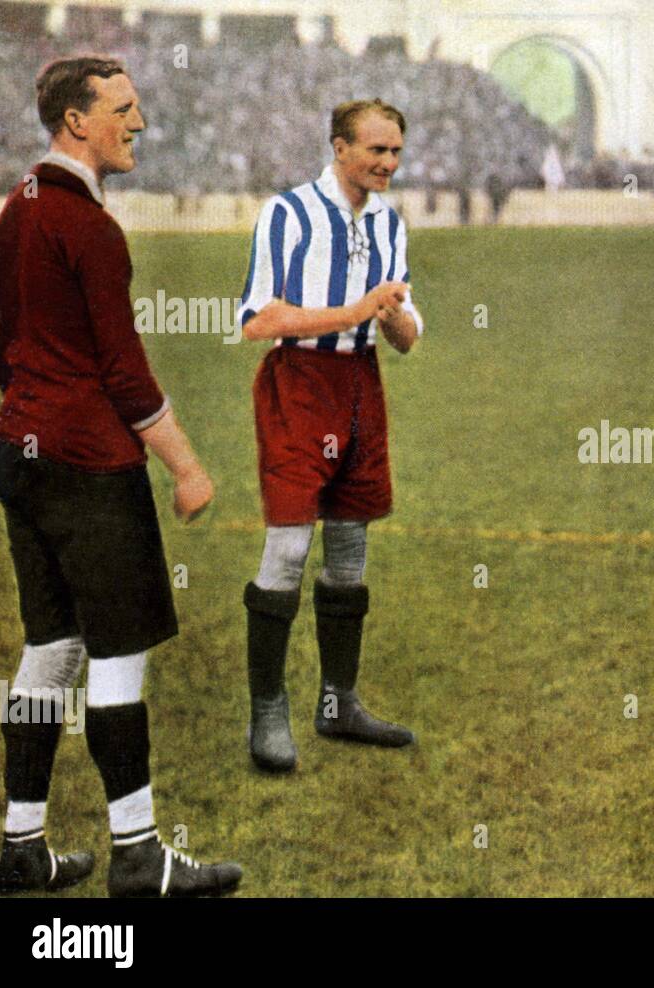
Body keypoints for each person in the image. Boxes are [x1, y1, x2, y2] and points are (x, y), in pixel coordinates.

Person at [0, 56, 241, 897]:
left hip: (17, 453)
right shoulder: (90, 230)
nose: (138, 124)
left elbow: (5, 353)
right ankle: (137, 853)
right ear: (76, 122)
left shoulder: (11, 219)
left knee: (49, 650)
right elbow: (125, 375)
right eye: (123, 111)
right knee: (117, 652)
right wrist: (190, 466)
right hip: (89, 464)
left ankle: (22, 846)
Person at [237, 98, 423, 774]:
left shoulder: (390, 223)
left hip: (361, 384)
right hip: (299, 385)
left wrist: (397, 317)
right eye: (376, 150)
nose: (388, 163)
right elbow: (258, 320)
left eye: (397, 151)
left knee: (349, 547)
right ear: (339, 148)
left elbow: (404, 335)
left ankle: (338, 701)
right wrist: (357, 308)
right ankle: (267, 712)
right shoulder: (289, 214)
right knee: (288, 546)